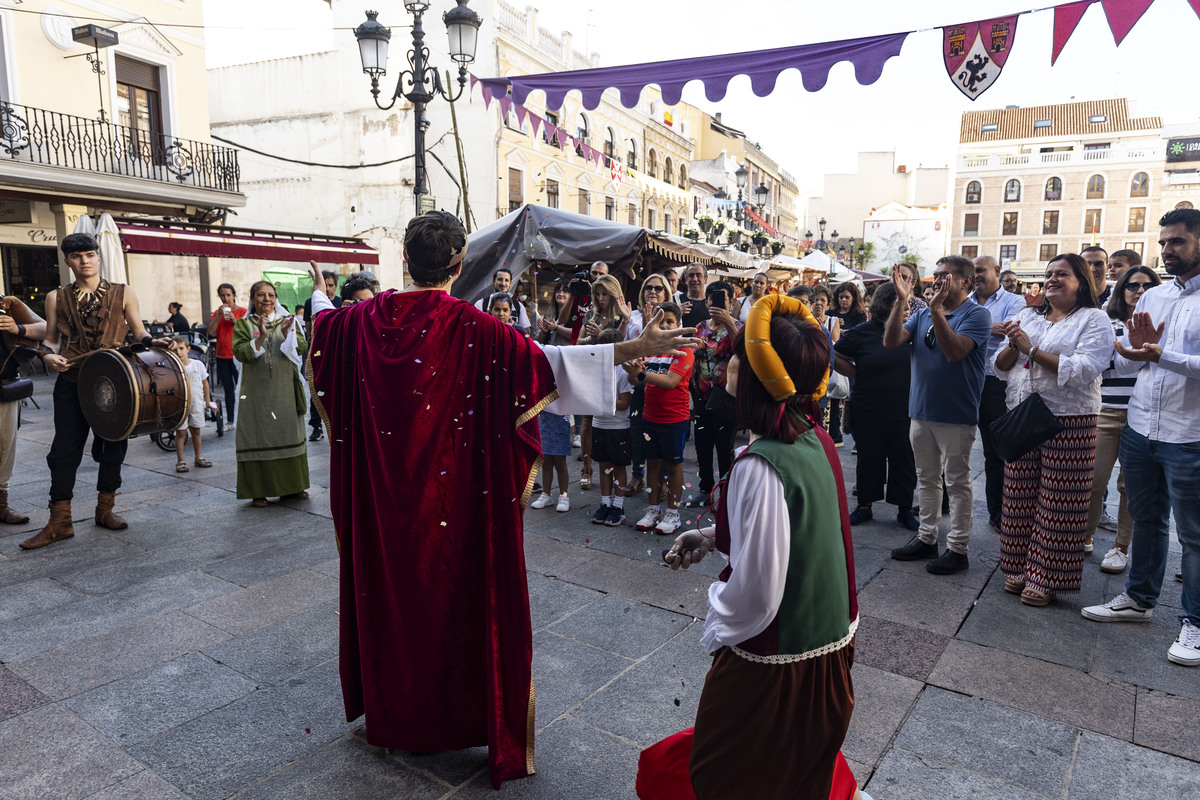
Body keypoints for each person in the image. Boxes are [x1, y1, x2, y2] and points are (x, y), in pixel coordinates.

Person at [305, 211, 698, 787]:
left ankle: (396, 715)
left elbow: (321, 325)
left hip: (384, 512)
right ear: (461, 264)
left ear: (405, 262)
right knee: (452, 605)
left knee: (392, 602)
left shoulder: (357, 324)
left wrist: (320, 291)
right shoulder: (477, 329)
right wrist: (634, 345)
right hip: (452, 507)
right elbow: (550, 365)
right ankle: (457, 715)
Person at [661, 295, 857, 800]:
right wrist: (708, 537)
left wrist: (717, 620)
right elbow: (794, 534)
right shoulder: (815, 436)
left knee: (722, 776)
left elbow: (759, 595)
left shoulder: (761, 464)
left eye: (737, 357)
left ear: (761, 376)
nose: (728, 361)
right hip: (824, 657)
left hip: (778, 665)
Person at [1082, 208, 1200, 667]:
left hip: (1188, 434)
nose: (1168, 250)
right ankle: (1138, 599)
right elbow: (1137, 363)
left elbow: (1165, 358)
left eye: (1179, 242)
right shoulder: (1154, 298)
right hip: (1139, 426)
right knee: (1147, 521)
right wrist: (1122, 352)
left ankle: (1194, 622)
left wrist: (1161, 354)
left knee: (1193, 535)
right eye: (1165, 242)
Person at [20, 233, 169, 550]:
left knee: (113, 445)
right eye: (77, 256)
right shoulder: (55, 298)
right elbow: (49, 341)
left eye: (89, 254)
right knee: (63, 451)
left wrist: (155, 342)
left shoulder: (124, 293)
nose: (84, 261)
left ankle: (105, 510)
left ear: (98, 257)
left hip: (117, 381)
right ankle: (60, 521)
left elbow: (139, 332)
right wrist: (47, 356)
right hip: (72, 382)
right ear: (67, 261)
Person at [993, 254, 1112, 606]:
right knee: (1017, 496)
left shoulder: (1094, 319)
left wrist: (1032, 348)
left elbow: (1084, 368)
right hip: (1022, 413)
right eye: (1048, 274)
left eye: (1062, 274)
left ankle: (1045, 576)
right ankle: (1017, 567)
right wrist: (1015, 344)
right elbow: (1000, 366)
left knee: (1059, 502)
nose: (1052, 279)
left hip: (1069, 419)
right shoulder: (1028, 316)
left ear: (1081, 281)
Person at [884, 255, 990, 575]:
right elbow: (890, 342)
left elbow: (955, 351)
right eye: (935, 275)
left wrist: (934, 310)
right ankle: (927, 537)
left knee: (957, 482)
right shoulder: (921, 315)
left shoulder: (977, 314)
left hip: (956, 414)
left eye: (945, 276)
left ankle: (958, 548)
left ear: (965, 282)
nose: (937, 280)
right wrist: (901, 301)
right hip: (920, 410)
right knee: (927, 478)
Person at [1086, 266, 1161, 574]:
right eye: (1132, 285)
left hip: (1142, 414)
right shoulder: (1108, 320)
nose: (1139, 291)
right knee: (1092, 483)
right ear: (1122, 289)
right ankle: (1084, 535)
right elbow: (1106, 364)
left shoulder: (1163, 323)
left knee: (1130, 487)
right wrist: (1138, 353)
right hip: (1106, 411)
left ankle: (1120, 547)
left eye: (1146, 285)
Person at [835, 283, 918, 530]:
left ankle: (904, 509)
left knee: (903, 458)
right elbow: (835, 355)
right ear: (885, 305)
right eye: (901, 303)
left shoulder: (910, 331)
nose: (907, 309)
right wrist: (857, 373)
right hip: (868, 405)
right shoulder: (862, 332)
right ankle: (864, 506)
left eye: (908, 303)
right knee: (869, 457)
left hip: (903, 406)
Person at [233, 280, 309, 508]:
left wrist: (288, 335)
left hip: (285, 390)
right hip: (256, 394)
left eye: (271, 295)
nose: (266, 299)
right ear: (252, 298)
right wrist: (259, 338)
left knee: (287, 433)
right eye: (261, 295)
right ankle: (259, 491)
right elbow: (240, 352)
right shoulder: (243, 325)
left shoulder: (288, 321)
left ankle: (293, 487)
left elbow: (302, 347)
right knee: (257, 434)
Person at [969, 254, 1028, 531]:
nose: (976, 275)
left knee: (995, 451)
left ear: (996, 270)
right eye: (973, 271)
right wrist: (989, 327)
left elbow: (1010, 334)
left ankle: (998, 512)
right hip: (965, 379)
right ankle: (942, 498)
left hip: (995, 381)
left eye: (981, 270)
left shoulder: (1014, 301)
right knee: (951, 445)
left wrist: (969, 326)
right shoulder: (965, 300)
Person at [631, 302, 694, 536]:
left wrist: (641, 373)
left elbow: (670, 382)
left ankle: (672, 513)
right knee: (653, 465)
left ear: (678, 325)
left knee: (674, 466)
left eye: (669, 321)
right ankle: (653, 509)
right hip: (650, 418)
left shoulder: (684, 350)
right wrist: (633, 372)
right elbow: (636, 381)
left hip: (674, 419)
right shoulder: (652, 350)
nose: (665, 325)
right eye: (661, 321)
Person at [690, 281, 741, 505]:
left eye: (722, 298)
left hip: (726, 396)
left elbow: (745, 349)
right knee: (702, 443)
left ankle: (726, 493)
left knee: (724, 446)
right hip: (701, 395)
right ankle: (705, 488)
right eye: (711, 297)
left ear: (731, 302)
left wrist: (729, 322)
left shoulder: (739, 326)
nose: (715, 302)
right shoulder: (700, 326)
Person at [625, 273, 672, 496]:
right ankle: (637, 475)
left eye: (658, 288)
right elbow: (626, 346)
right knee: (636, 431)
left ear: (666, 293)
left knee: (659, 432)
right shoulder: (632, 316)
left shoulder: (670, 317)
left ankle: (663, 479)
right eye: (648, 288)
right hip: (636, 380)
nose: (652, 291)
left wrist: (652, 326)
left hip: (660, 380)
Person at [0, 295, 45, 525]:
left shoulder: (3, 303)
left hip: (3, 387)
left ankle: (1, 504)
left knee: (4, 446)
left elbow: (44, 328)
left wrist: (17, 327)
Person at [592, 327, 634, 525]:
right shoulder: (595, 370)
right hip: (599, 423)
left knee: (618, 467)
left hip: (618, 426)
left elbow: (624, 403)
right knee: (603, 466)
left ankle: (618, 505)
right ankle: (605, 503)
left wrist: (601, 400)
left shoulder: (623, 372)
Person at [167, 335, 214, 473]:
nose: (179, 352)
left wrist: (208, 400)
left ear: (188, 349)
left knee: (196, 430)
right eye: (175, 350)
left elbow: (205, 383)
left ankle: (198, 457)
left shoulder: (197, 365)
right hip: (180, 405)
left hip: (196, 403)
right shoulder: (173, 368)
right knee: (181, 432)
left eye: (181, 348)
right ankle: (180, 460)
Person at [305, 271, 342, 441]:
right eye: (324, 285)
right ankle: (316, 426)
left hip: (338, 352)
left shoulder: (340, 302)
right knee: (317, 388)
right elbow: (309, 327)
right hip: (319, 350)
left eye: (331, 285)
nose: (328, 289)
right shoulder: (310, 302)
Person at [209, 283, 247, 430]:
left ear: (234, 295)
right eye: (223, 295)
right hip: (222, 355)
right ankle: (230, 421)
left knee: (242, 388)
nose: (226, 298)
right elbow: (211, 332)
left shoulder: (243, 311)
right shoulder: (216, 313)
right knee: (228, 389)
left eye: (228, 295)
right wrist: (219, 315)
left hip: (238, 355)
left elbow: (249, 331)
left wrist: (234, 320)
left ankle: (244, 419)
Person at [474, 267, 531, 332]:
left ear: (510, 283)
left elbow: (526, 332)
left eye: (506, 280)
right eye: (500, 279)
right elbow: (474, 329)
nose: (503, 283)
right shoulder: (481, 304)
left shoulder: (518, 306)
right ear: (493, 281)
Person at [679, 263, 710, 330]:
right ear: (686, 279)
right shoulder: (676, 300)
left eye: (699, 275)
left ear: (705, 279)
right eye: (691, 275)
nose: (695, 279)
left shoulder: (711, 302)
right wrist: (676, 314)